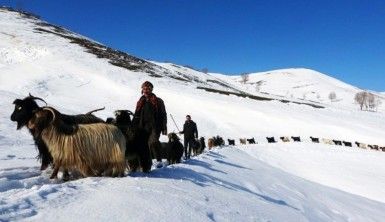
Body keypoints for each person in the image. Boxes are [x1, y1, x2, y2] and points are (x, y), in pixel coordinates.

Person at [132, 81, 167, 171]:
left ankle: (159, 160)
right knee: (143, 145)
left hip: (155, 126)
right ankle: (146, 162)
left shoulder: (158, 101)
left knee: (153, 142)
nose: (146, 90)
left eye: (148, 88)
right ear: (142, 90)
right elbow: (136, 114)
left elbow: (163, 114)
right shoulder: (141, 101)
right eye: (144, 89)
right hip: (142, 126)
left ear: (151, 89)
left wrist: (164, 127)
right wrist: (133, 125)